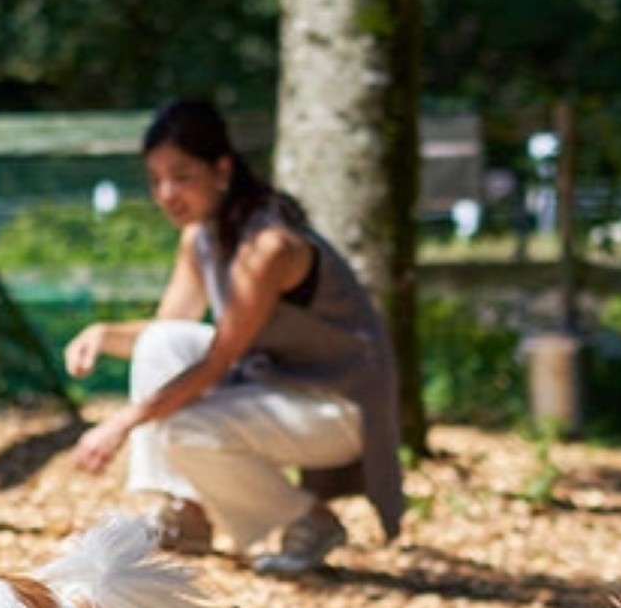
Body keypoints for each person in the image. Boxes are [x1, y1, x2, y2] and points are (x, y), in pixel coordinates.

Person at [65, 98, 403, 573]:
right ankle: (184, 511)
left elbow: (219, 359)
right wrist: (105, 335)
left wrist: (123, 422)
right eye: (156, 180)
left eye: (181, 176)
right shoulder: (200, 236)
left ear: (222, 170)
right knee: (161, 343)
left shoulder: (268, 246)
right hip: (272, 384)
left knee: (184, 429)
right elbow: (168, 329)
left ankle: (309, 521)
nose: (166, 194)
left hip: (340, 406)